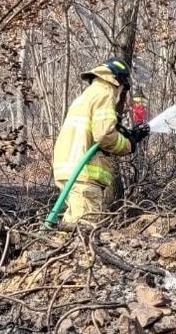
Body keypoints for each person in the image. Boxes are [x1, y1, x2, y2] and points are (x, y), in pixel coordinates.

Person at [52, 58, 149, 225]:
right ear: (118, 81)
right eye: (123, 88)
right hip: (83, 172)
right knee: (85, 227)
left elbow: (98, 130)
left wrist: (128, 135)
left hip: (70, 170)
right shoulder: (105, 93)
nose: (121, 93)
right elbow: (104, 135)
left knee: (72, 225)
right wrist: (129, 144)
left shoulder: (90, 94)